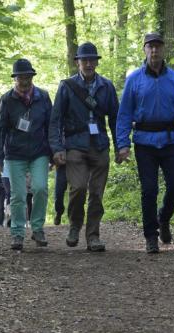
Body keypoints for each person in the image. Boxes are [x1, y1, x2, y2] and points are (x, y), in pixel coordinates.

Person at [116, 33, 174, 253]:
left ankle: (164, 218)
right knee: (149, 189)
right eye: (150, 47)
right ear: (144, 50)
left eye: (158, 47)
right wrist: (123, 144)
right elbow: (124, 115)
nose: (154, 51)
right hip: (143, 142)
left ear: (163, 50)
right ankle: (151, 236)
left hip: (170, 141)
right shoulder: (134, 79)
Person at [49, 42, 119, 251]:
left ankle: (93, 236)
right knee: (78, 188)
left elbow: (116, 119)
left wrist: (120, 146)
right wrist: (57, 149)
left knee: (97, 193)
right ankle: (75, 225)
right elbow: (55, 120)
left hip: (99, 146)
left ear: (97, 62)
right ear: (77, 62)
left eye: (92, 60)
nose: (88, 63)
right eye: (84, 60)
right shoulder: (67, 86)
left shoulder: (106, 86)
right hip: (74, 145)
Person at [0, 58, 52, 250]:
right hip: (14, 155)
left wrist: (54, 153)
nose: (24, 81)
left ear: (32, 77)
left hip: (39, 152)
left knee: (41, 188)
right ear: (15, 79)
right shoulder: (6, 100)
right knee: (17, 195)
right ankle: (17, 233)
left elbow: (51, 126)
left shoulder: (43, 97)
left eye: (27, 77)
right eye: (20, 78)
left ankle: (37, 229)